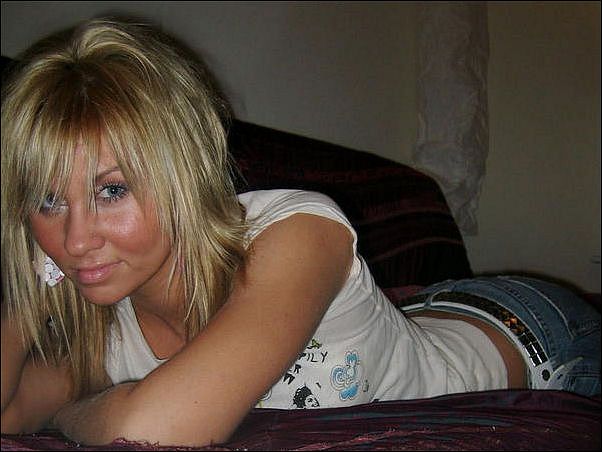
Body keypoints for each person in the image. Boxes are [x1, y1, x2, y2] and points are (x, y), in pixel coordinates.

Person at [1, 17, 599, 448]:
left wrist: (72, 414)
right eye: (48, 200)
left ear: (179, 173)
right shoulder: (98, 322)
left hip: (531, 334)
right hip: (420, 313)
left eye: (111, 191)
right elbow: (10, 414)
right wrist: (33, 298)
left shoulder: (296, 232)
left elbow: (151, 430)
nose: (76, 239)